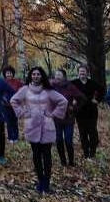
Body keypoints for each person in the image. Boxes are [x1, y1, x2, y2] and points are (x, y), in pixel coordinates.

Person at [10, 66, 68, 194]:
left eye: (38, 74)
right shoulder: (25, 89)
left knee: (47, 156)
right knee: (36, 155)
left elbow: (63, 101)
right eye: (34, 74)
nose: (36, 76)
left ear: (42, 76)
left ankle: (46, 183)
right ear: (31, 76)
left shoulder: (48, 90)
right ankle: (40, 181)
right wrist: (22, 112)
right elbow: (13, 100)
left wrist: (53, 113)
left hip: (47, 126)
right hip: (32, 125)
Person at [51, 69, 86, 167]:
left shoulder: (70, 86)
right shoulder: (51, 87)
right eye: (56, 74)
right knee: (58, 140)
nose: (57, 76)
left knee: (68, 141)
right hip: (56, 119)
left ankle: (71, 161)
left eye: (59, 75)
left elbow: (82, 98)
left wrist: (74, 108)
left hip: (68, 118)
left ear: (64, 76)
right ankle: (63, 161)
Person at [71, 64, 105, 159]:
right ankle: (86, 153)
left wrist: (97, 100)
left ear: (87, 73)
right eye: (80, 71)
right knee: (83, 133)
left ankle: (92, 152)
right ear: (78, 73)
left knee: (93, 132)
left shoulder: (92, 83)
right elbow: (66, 92)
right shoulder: (74, 83)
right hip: (80, 111)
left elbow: (102, 90)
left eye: (84, 71)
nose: (82, 73)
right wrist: (72, 100)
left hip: (91, 111)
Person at [2, 65, 24, 143]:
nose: (9, 74)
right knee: (8, 122)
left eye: (10, 73)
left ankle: (16, 137)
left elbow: (22, 90)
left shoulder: (17, 82)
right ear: (5, 74)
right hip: (5, 105)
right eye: (7, 73)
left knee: (15, 121)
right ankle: (10, 137)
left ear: (13, 74)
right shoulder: (2, 82)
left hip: (15, 106)